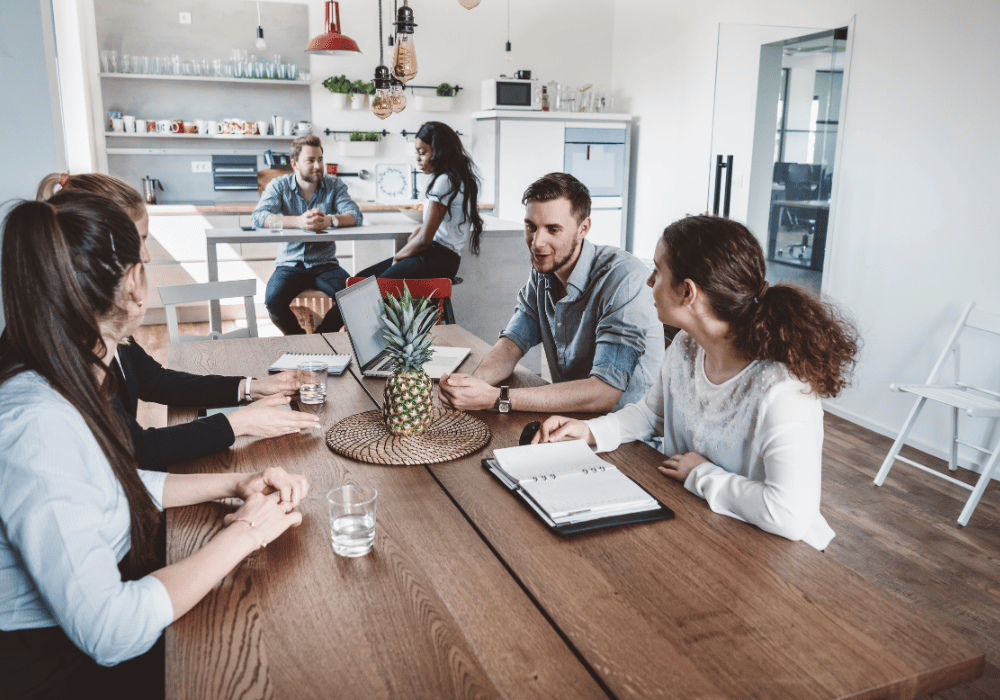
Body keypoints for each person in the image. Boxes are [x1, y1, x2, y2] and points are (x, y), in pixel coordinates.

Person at [0, 191, 309, 698]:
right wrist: (247, 532)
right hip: (55, 665)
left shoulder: (65, 371)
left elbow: (108, 488)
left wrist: (236, 481)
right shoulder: (38, 425)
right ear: (133, 287)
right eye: (144, 259)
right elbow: (110, 631)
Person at [533, 215, 860, 550]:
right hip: (697, 527)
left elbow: (790, 514)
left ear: (687, 292)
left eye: (658, 271)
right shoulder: (687, 347)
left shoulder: (783, 390)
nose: (649, 281)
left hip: (774, 555)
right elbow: (650, 416)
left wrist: (701, 476)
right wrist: (590, 432)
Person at [25, 172, 320, 472]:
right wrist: (239, 422)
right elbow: (137, 450)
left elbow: (153, 381)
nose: (147, 257)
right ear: (100, 247)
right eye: (139, 241)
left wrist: (251, 388)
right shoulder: (72, 345)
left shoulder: (97, 317)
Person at [439, 172, 663, 414]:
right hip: (571, 421)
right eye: (531, 227)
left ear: (583, 228)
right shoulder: (546, 269)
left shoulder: (624, 279)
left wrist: (496, 398)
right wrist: (475, 385)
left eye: (553, 229)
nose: (537, 242)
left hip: (629, 439)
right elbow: (513, 342)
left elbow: (604, 393)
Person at [251, 134, 363, 335]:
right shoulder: (280, 185)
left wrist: (329, 220)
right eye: (310, 161)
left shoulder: (334, 185)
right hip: (289, 265)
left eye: (320, 159)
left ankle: (322, 335)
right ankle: (299, 339)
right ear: (294, 163)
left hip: (325, 264)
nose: (318, 166)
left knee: (353, 298)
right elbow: (258, 217)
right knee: (272, 301)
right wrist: (298, 221)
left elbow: (355, 215)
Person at [357, 121, 483, 280]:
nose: (417, 159)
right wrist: (413, 242)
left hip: (435, 259)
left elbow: (424, 240)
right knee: (361, 279)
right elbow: (427, 230)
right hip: (444, 260)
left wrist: (398, 257)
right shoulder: (455, 179)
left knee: (364, 288)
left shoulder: (444, 181)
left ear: (440, 152)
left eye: (422, 152)